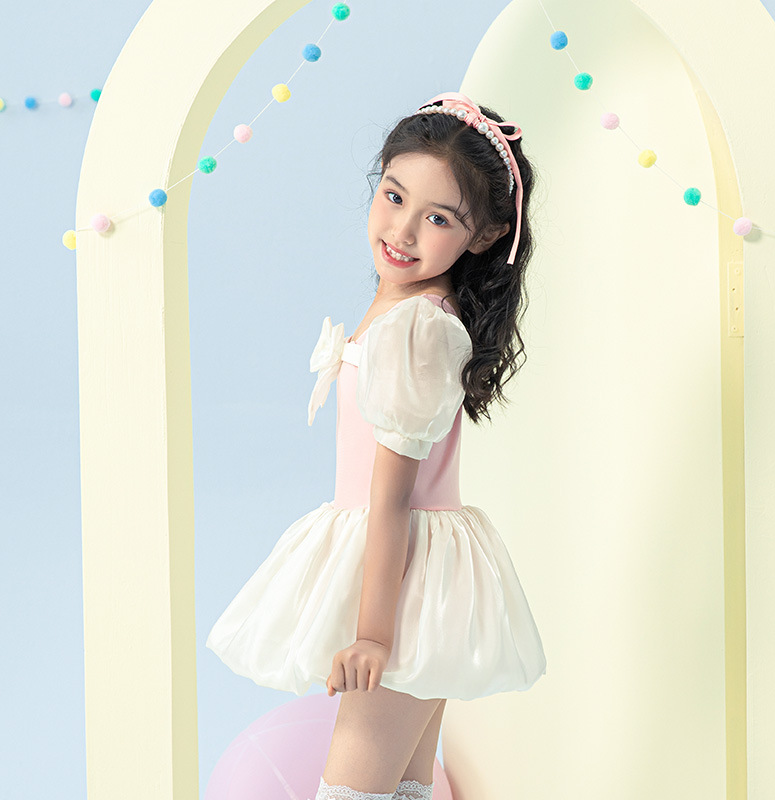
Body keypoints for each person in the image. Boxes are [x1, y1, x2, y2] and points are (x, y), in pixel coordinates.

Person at [205, 91, 547, 800]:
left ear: (485, 235)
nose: (403, 230)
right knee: (407, 786)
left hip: (403, 579)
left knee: (354, 789)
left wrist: (373, 637)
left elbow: (390, 500)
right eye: (394, 196)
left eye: (439, 218)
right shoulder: (407, 307)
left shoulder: (417, 327)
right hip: (417, 575)